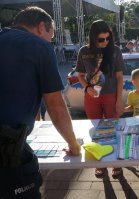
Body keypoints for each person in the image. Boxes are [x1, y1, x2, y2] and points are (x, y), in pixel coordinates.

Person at [0, 6, 81, 199]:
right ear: (41, 27)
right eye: (51, 35)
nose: (50, 41)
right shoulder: (39, 46)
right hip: (8, 151)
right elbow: (56, 105)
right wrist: (73, 144)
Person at [75, 19, 124, 179]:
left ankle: (116, 164)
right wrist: (87, 88)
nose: (105, 42)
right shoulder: (84, 51)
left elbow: (119, 77)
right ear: (93, 37)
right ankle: (100, 164)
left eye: (108, 38)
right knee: (96, 132)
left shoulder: (115, 50)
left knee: (112, 131)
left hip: (111, 95)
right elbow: (80, 75)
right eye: (101, 39)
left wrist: (119, 100)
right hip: (92, 97)